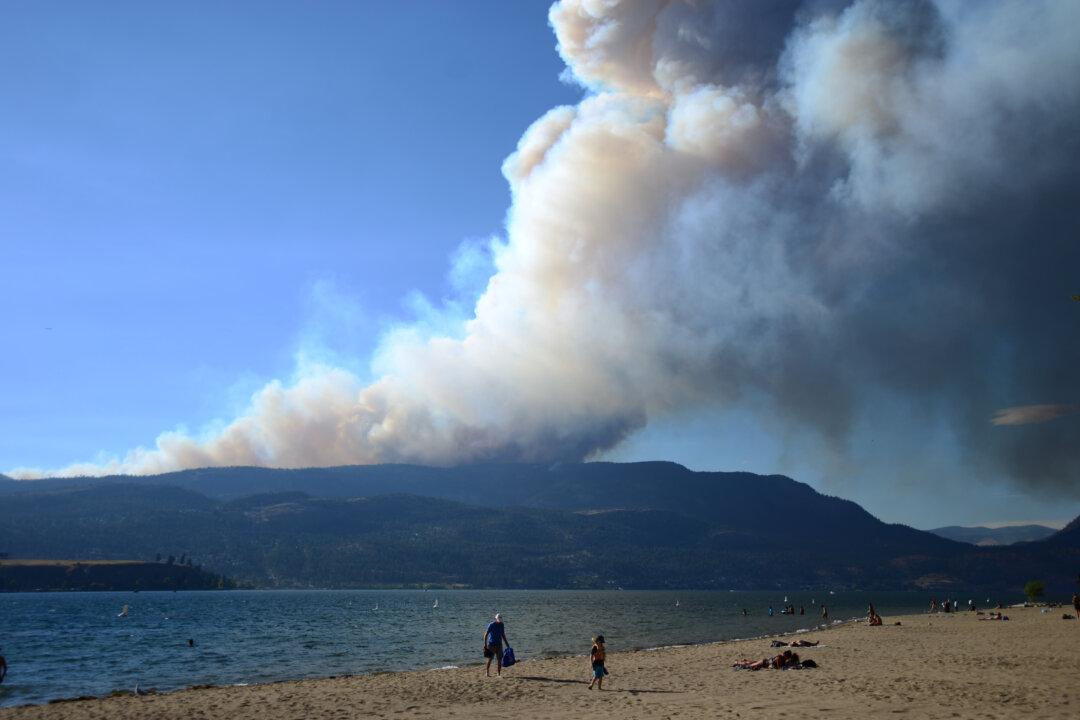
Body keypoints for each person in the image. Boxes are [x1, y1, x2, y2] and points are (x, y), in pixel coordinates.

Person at [483, 613, 510, 677]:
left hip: (499, 645)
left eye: (500, 619)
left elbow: (503, 635)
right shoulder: (491, 625)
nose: (499, 621)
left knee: (499, 660)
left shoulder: (502, 625)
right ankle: (487, 672)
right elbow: (486, 634)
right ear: (496, 619)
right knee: (490, 659)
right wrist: (485, 644)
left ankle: (498, 674)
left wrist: (507, 644)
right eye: (498, 619)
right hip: (491, 645)